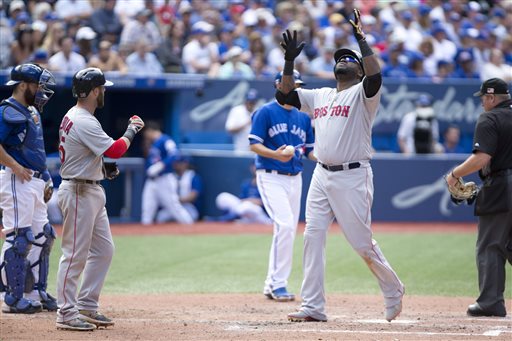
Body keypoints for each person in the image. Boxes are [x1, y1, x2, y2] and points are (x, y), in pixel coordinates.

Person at [277, 11, 404, 323]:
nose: (344, 60)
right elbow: (285, 94)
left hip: (353, 174)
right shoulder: (320, 95)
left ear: (358, 70)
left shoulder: (363, 94)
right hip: (322, 174)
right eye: (340, 57)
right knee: (312, 236)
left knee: (361, 242)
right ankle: (313, 306)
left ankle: (393, 289)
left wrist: (361, 40)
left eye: (350, 59)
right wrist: (289, 63)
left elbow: (376, 77)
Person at [55, 67, 145, 331]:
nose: (104, 91)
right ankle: (66, 313)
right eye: (102, 87)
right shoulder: (83, 119)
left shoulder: (79, 116)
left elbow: (83, 154)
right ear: (94, 91)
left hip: (89, 187)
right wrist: (132, 129)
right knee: (73, 256)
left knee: (104, 250)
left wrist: (102, 167)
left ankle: (86, 304)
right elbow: (116, 149)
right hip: (79, 191)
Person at [445, 78, 512, 317]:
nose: (483, 102)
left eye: (484, 98)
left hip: (503, 186)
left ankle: (490, 302)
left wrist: (454, 174)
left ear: (492, 98)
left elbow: (482, 158)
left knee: (491, 246)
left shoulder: (490, 118)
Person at [248, 68, 315, 302]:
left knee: (288, 229)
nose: (297, 88)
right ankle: (277, 284)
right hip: (270, 175)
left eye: (298, 85)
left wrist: (331, 156)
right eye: (292, 84)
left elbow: (309, 151)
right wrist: (276, 156)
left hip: (295, 177)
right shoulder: (265, 112)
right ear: (279, 85)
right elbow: (253, 145)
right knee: (285, 225)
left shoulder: (304, 116)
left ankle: (272, 283)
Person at [0, 63, 58, 314]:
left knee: (44, 235)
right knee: (19, 238)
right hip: (17, 178)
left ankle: (36, 292)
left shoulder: (31, 110)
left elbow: (36, 150)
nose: (41, 90)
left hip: (34, 179)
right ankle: (12, 298)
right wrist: (15, 166)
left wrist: (45, 178)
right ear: (23, 85)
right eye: (37, 85)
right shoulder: (8, 110)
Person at [141, 121, 194, 225]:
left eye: (146, 132)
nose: (146, 135)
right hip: (152, 180)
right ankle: (144, 234)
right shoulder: (153, 143)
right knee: (147, 210)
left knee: (174, 207)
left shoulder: (165, 139)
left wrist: (161, 165)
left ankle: (190, 227)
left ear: (150, 130)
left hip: (164, 178)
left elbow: (174, 154)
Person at [156, 155, 203, 223]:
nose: (176, 165)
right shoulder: (170, 176)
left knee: (191, 216)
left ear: (185, 163)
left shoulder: (192, 176)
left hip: (187, 206)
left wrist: (177, 200)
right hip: (172, 206)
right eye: (175, 162)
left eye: (179, 162)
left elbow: (194, 195)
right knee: (161, 217)